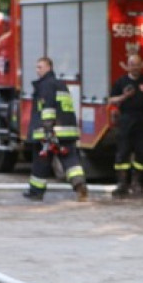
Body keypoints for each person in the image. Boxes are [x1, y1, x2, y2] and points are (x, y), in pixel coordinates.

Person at [23, 56, 88, 201]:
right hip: (67, 132)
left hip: (51, 131)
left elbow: (48, 107)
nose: (37, 70)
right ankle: (80, 185)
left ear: (49, 67)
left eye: (40, 67)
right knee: (71, 161)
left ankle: (36, 192)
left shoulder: (46, 84)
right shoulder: (61, 84)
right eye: (36, 67)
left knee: (41, 162)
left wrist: (48, 130)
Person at [109, 54, 143, 196]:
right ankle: (122, 184)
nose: (135, 67)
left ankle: (136, 183)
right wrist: (124, 96)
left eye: (137, 64)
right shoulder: (121, 81)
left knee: (141, 151)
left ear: (141, 65)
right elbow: (111, 100)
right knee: (123, 151)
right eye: (132, 64)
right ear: (128, 66)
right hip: (126, 119)